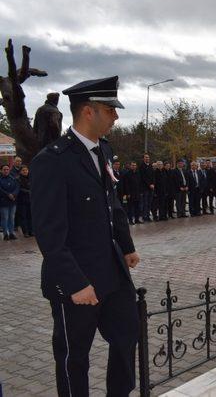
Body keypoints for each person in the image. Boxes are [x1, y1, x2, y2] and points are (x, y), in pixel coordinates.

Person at [30, 76, 140, 396]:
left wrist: (127, 246)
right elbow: (48, 233)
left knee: (126, 336)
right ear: (88, 112)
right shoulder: (52, 160)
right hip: (76, 278)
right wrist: (76, 283)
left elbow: (111, 203)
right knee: (73, 358)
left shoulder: (103, 150)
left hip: (111, 269)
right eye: (110, 110)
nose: (116, 116)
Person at [0, 163, 19, 240]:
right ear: (1, 171)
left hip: (13, 201)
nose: (6, 171)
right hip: (3, 202)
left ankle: (11, 233)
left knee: (12, 218)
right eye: (4, 169)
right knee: (5, 218)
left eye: (7, 169)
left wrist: (14, 194)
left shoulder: (13, 178)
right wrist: (8, 194)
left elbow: (17, 187)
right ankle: (5, 234)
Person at [17, 165, 33, 237]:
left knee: (30, 216)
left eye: (26, 170)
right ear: (20, 171)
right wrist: (28, 192)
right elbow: (19, 188)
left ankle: (31, 231)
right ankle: (25, 232)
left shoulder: (31, 178)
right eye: (23, 170)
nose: (25, 171)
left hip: (30, 200)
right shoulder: (18, 179)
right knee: (23, 217)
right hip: (22, 201)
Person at [139, 153, 155, 222]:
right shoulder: (141, 166)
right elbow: (143, 177)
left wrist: (153, 184)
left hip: (151, 188)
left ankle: (148, 215)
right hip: (145, 188)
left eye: (148, 157)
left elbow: (153, 176)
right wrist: (149, 184)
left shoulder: (151, 166)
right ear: (143, 159)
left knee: (149, 203)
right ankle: (144, 216)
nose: (147, 158)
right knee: (145, 203)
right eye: (146, 157)